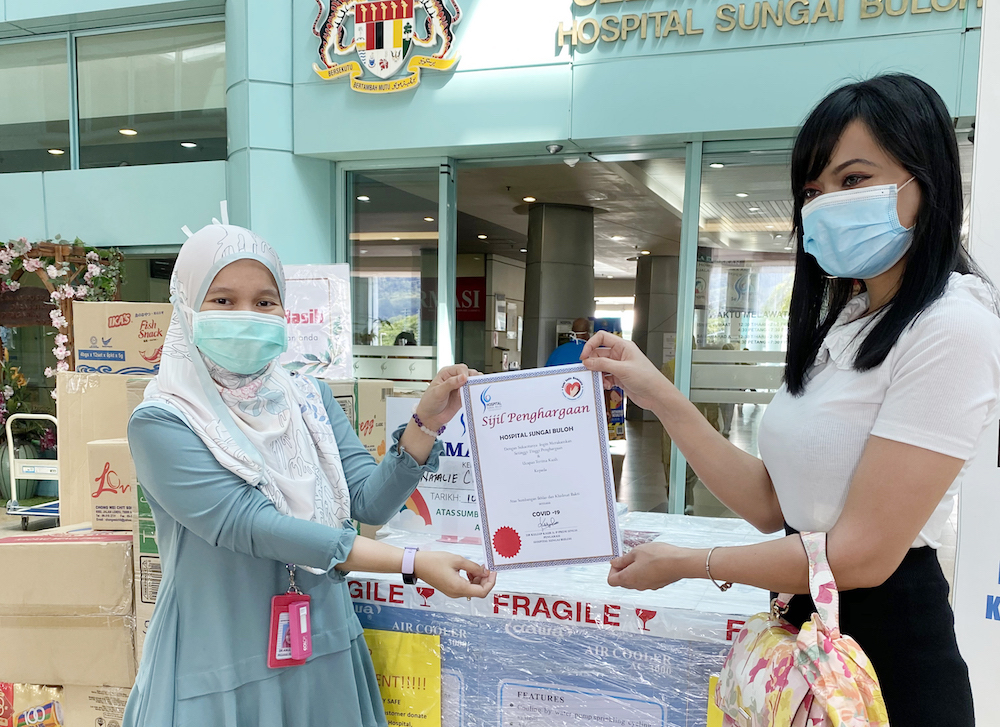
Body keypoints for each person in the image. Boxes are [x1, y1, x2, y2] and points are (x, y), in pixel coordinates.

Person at [581, 74, 1000, 725]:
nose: (826, 203)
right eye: (812, 189)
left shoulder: (953, 324)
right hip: (806, 653)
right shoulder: (848, 319)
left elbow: (861, 551)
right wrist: (657, 395)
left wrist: (692, 562)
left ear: (927, 181)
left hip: (889, 666)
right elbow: (774, 503)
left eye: (853, 179)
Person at [123, 224, 495, 727]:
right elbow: (253, 525)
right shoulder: (163, 422)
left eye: (265, 301)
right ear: (187, 308)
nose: (247, 316)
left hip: (319, 644)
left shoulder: (308, 400)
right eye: (223, 300)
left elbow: (368, 501)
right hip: (220, 661)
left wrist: (426, 421)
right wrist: (412, 561)